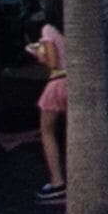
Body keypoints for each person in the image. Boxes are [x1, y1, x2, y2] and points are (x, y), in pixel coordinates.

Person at [29, 24, 71, 200]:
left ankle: (57, 180)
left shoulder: (48, 30)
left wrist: (39, 54)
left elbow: (53, 63)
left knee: (47, 132)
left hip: (57, 82)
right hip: (74, 82)